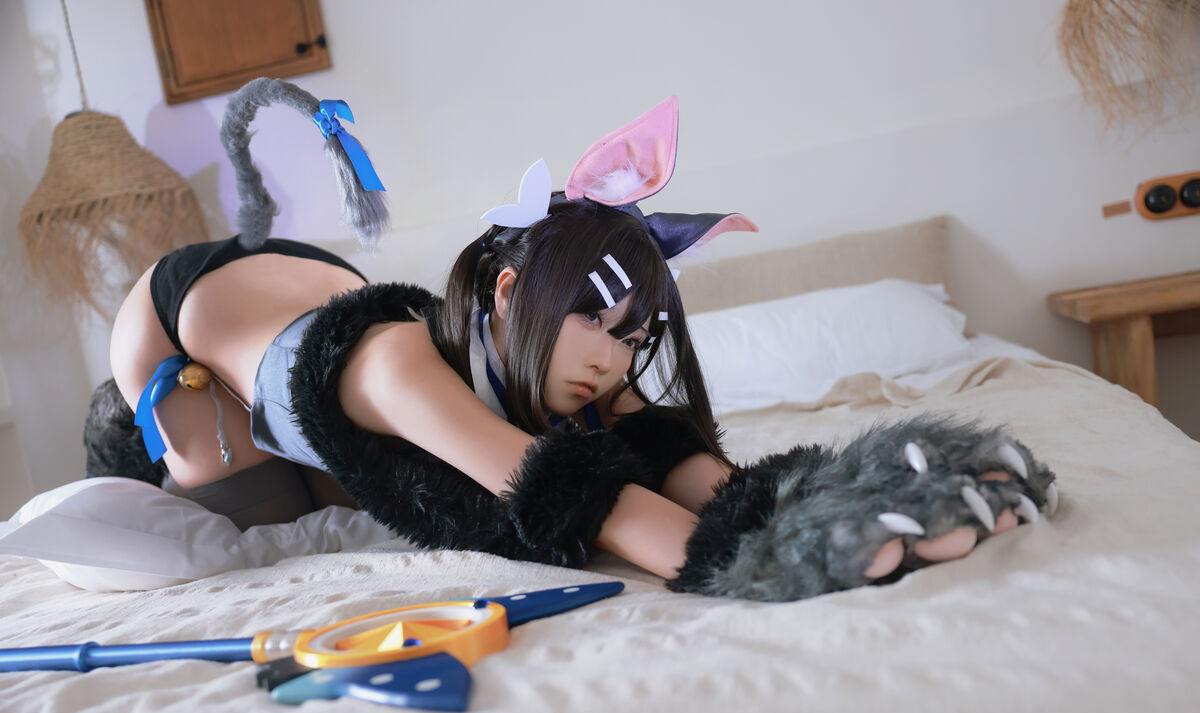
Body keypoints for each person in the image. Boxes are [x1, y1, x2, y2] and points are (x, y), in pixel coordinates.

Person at [92, 83, 1057, 602]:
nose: (611, 358)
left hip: (309, 285)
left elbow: (688, 472)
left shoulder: (578, 362)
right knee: (240, 515)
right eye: (591, 320)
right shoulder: (395, 367)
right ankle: (123, 438)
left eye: (630, 335)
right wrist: (809, 557)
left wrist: (854, 486)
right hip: (180, 317)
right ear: (512, 292)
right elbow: (586, 502)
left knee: (359, 479)